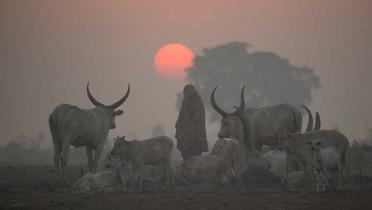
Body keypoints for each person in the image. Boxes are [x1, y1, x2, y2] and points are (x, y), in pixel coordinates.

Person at [175, 84, 208, 160]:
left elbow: (184, 118)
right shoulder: (197, 99)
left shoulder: (189, 100)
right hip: (196, 135)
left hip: (191, 135)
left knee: (191, 156)